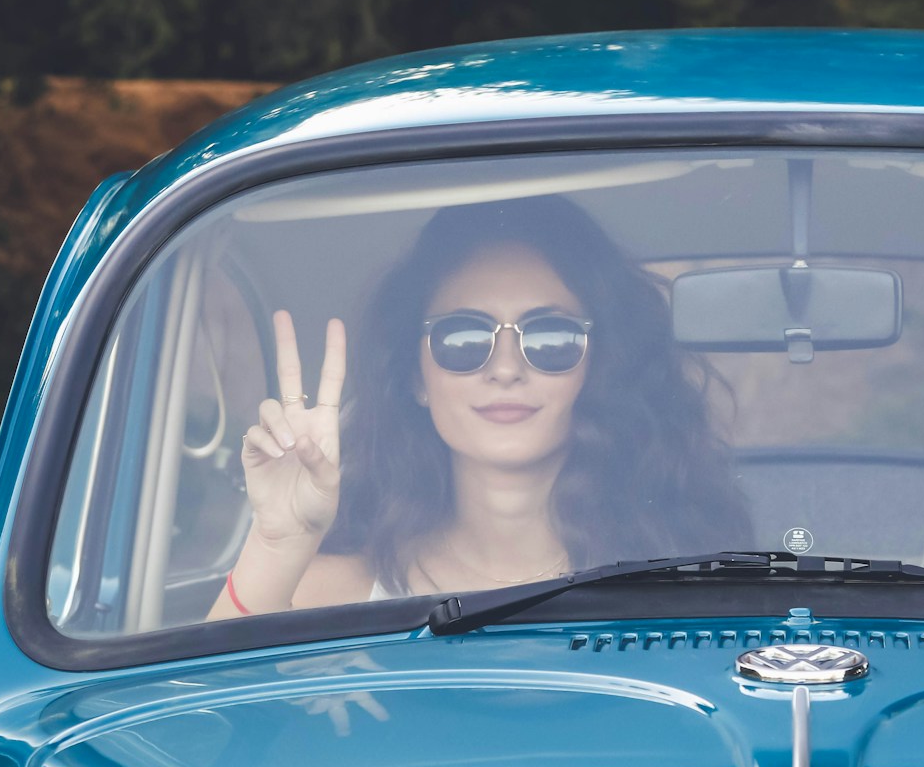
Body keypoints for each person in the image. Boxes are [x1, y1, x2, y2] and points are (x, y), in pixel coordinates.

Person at [210, 195, 746, 617]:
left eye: (551, 337)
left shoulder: (681, 587)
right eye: (463, 338)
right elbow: (203, 720)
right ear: (416, 377)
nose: (505, 368)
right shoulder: (336, 593)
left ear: (597, 368)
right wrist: (278, 542)